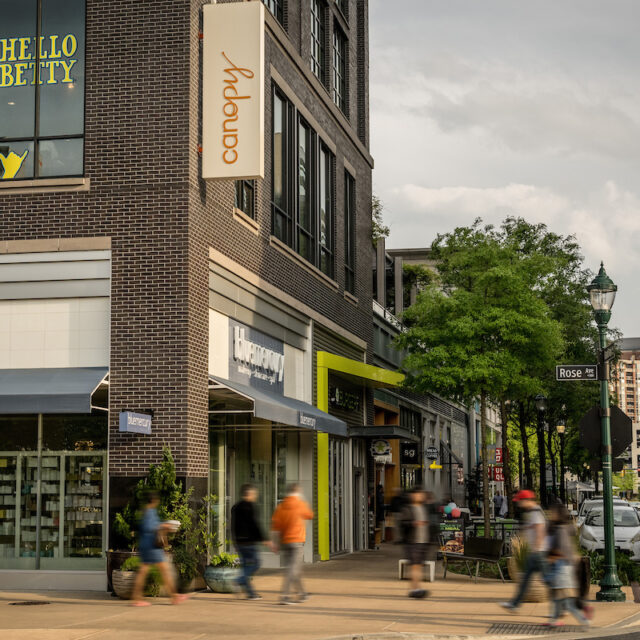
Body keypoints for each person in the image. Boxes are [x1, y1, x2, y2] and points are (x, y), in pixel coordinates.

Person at [130, 490, 188, 607]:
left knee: (144, 572)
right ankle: (174, 596)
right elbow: (151, 527)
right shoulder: (150, 511)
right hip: (152, 546)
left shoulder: (145, 511)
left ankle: (136, 598)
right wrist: (165, 525)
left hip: (146, 545)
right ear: (154, 500)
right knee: (164, 571)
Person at [500, 489, 546, 611]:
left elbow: (540, 531)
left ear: (526, 500)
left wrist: (536, 548)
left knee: (549, 580)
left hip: (538, 553)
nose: (518, 504)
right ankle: (515, 604)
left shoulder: (536, 512)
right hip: (536, 552)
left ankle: (568, 604)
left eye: (520, 501)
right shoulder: (532, 512)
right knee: (526, 579)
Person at [544, 503, 589, 627]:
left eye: (553, 512)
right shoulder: (560, 528)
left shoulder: (561, 530)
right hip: (563, 568)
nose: (550, 514)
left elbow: (563, 551)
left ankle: (584, 620)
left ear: (558, 514)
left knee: (565, 601)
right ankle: (554, 620)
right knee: (558, 598)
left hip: (562, 569)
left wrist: (552, 558)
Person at [271, 483, 314, 605]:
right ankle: (285, 595)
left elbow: (275, 527)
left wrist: (275, 543)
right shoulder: (300, 504)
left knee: (295, 568)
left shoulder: (280, 507)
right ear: (298, 492)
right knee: (293, 569)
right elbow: (310, 515)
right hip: (297, 541)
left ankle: (302, 594)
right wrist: (303, 500)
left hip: (285, 542)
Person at [231, 483, 273, 600]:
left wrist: (235, 541)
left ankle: (250, 594)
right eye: (254, 493)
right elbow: (255, 525)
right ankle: (239, 580)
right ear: (249, 493)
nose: (255, 495)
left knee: (245, 567)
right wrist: (265, 539)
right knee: (255, 564)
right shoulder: (250, 507)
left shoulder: (235, 507)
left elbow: (233, 526)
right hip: (249, 542)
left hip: (240, 542)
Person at [400, 488, 430, 599]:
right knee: (414, 566)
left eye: (421, 494)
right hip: (412, 541)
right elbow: (403, 523)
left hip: (423, 541)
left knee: (418, 566)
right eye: (418, 494)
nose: (420, 496)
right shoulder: (407, 509)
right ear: (412, 496)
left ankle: (416, 588)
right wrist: (414, 523)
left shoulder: (423, 508)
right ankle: (415, 588)